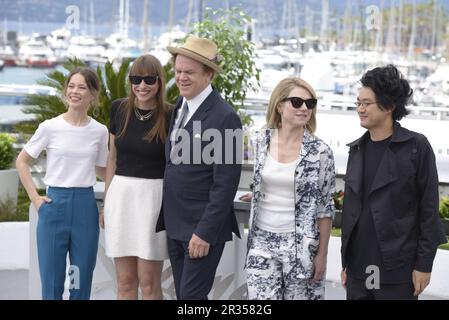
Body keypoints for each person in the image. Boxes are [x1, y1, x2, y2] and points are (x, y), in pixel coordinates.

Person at [340, 64, 447, 300]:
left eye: (366, 103)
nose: (360, 109)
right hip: (358, 270)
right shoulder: (356, 149)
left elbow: (429, 210)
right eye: (358, 103)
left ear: (389, 106)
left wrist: (424, 264)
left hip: (397, 271)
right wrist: (345, 261)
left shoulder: (416, 147)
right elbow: (351, 211)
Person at [156, 35, 243, 300]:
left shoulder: (226, 117)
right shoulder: (180, 107)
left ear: (208, 75)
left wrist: (204, 233)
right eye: (178, 71)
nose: (181, 77)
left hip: (200, 230)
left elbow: (226, 183)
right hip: (175, 225)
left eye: (189, 72)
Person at [16, 67, 108, 300]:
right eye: (71, 86)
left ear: (93, 94)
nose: (74, 91)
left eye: (82, 87)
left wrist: (111, 200)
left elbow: (102, 170)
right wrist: (35, 198)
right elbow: (22, 162)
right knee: (53, 282)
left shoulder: (100, 131)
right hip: (54, 206)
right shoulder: (50, 127)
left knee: (80, 280)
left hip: (85, 208)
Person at [240, 77, 335, 300]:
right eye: (297, 102)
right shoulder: (261, 141)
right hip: (261, 243)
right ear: (279, 105)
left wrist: (321, 255)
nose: (304, 108)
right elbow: (273, 180)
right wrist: (261, 194)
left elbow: (324, 208)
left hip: (301, 249)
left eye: (310, 104)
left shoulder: (320, 152)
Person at [101, 54, 171, 300]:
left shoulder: (171, 115)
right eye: (136, 79)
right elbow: (112, 160)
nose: (142, 86)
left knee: (149, 284)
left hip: (154, 202)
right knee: (125, 282)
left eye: (149, 79)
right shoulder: (118, 109)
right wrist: (107, 204)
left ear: (159, 82)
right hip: (121, 199)